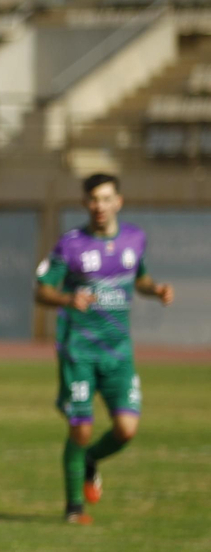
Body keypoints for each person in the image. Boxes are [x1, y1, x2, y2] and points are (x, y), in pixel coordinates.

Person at [35, 174, 173, 524]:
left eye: (106, 198)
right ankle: (73, 508)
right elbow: (41, 290)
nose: (100, 206)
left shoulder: (134, 239)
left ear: (118, 202)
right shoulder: (71, 245)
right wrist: (68, 297)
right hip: (79, 350)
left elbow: (138, 277)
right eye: (94, 199)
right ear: (85, 203)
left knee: (127, 429)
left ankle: (91, 460)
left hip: (118, 352)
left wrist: (155, 290)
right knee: (80, 428)